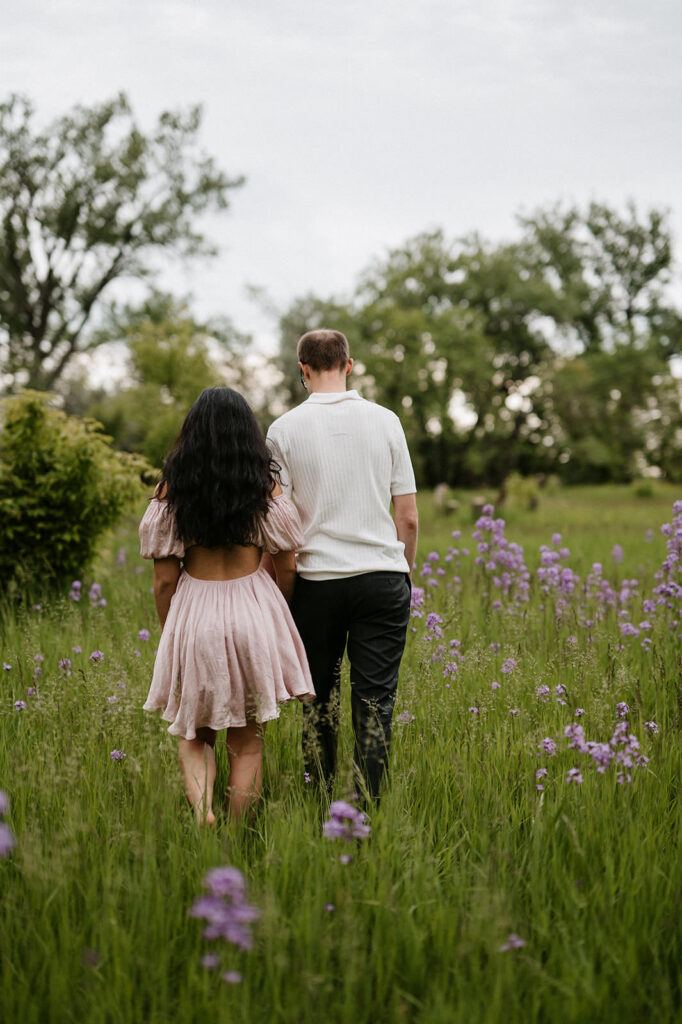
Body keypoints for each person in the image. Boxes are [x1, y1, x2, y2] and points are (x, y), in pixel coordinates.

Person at [139, 387, 315, 825]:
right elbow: (287, 567)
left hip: (195, 613)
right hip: (253, 612)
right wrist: (277, 615)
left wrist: (171, 633)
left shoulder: (171, 493)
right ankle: (236, 839)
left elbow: (164, 581)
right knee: (248, 744)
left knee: (194, 735)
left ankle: (203, 812)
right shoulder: (264, 488)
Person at [266, 329, 418, 801]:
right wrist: (403, 573)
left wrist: (283, 594)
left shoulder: (282, 430)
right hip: (382, 577)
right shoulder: (387, 420)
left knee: (318, 702)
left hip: (315, 584)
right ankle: (367, 808)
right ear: (350, 365)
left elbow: (279, 521)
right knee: (376, 704)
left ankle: (319, 802)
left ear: (304, 370)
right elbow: (408, 516)